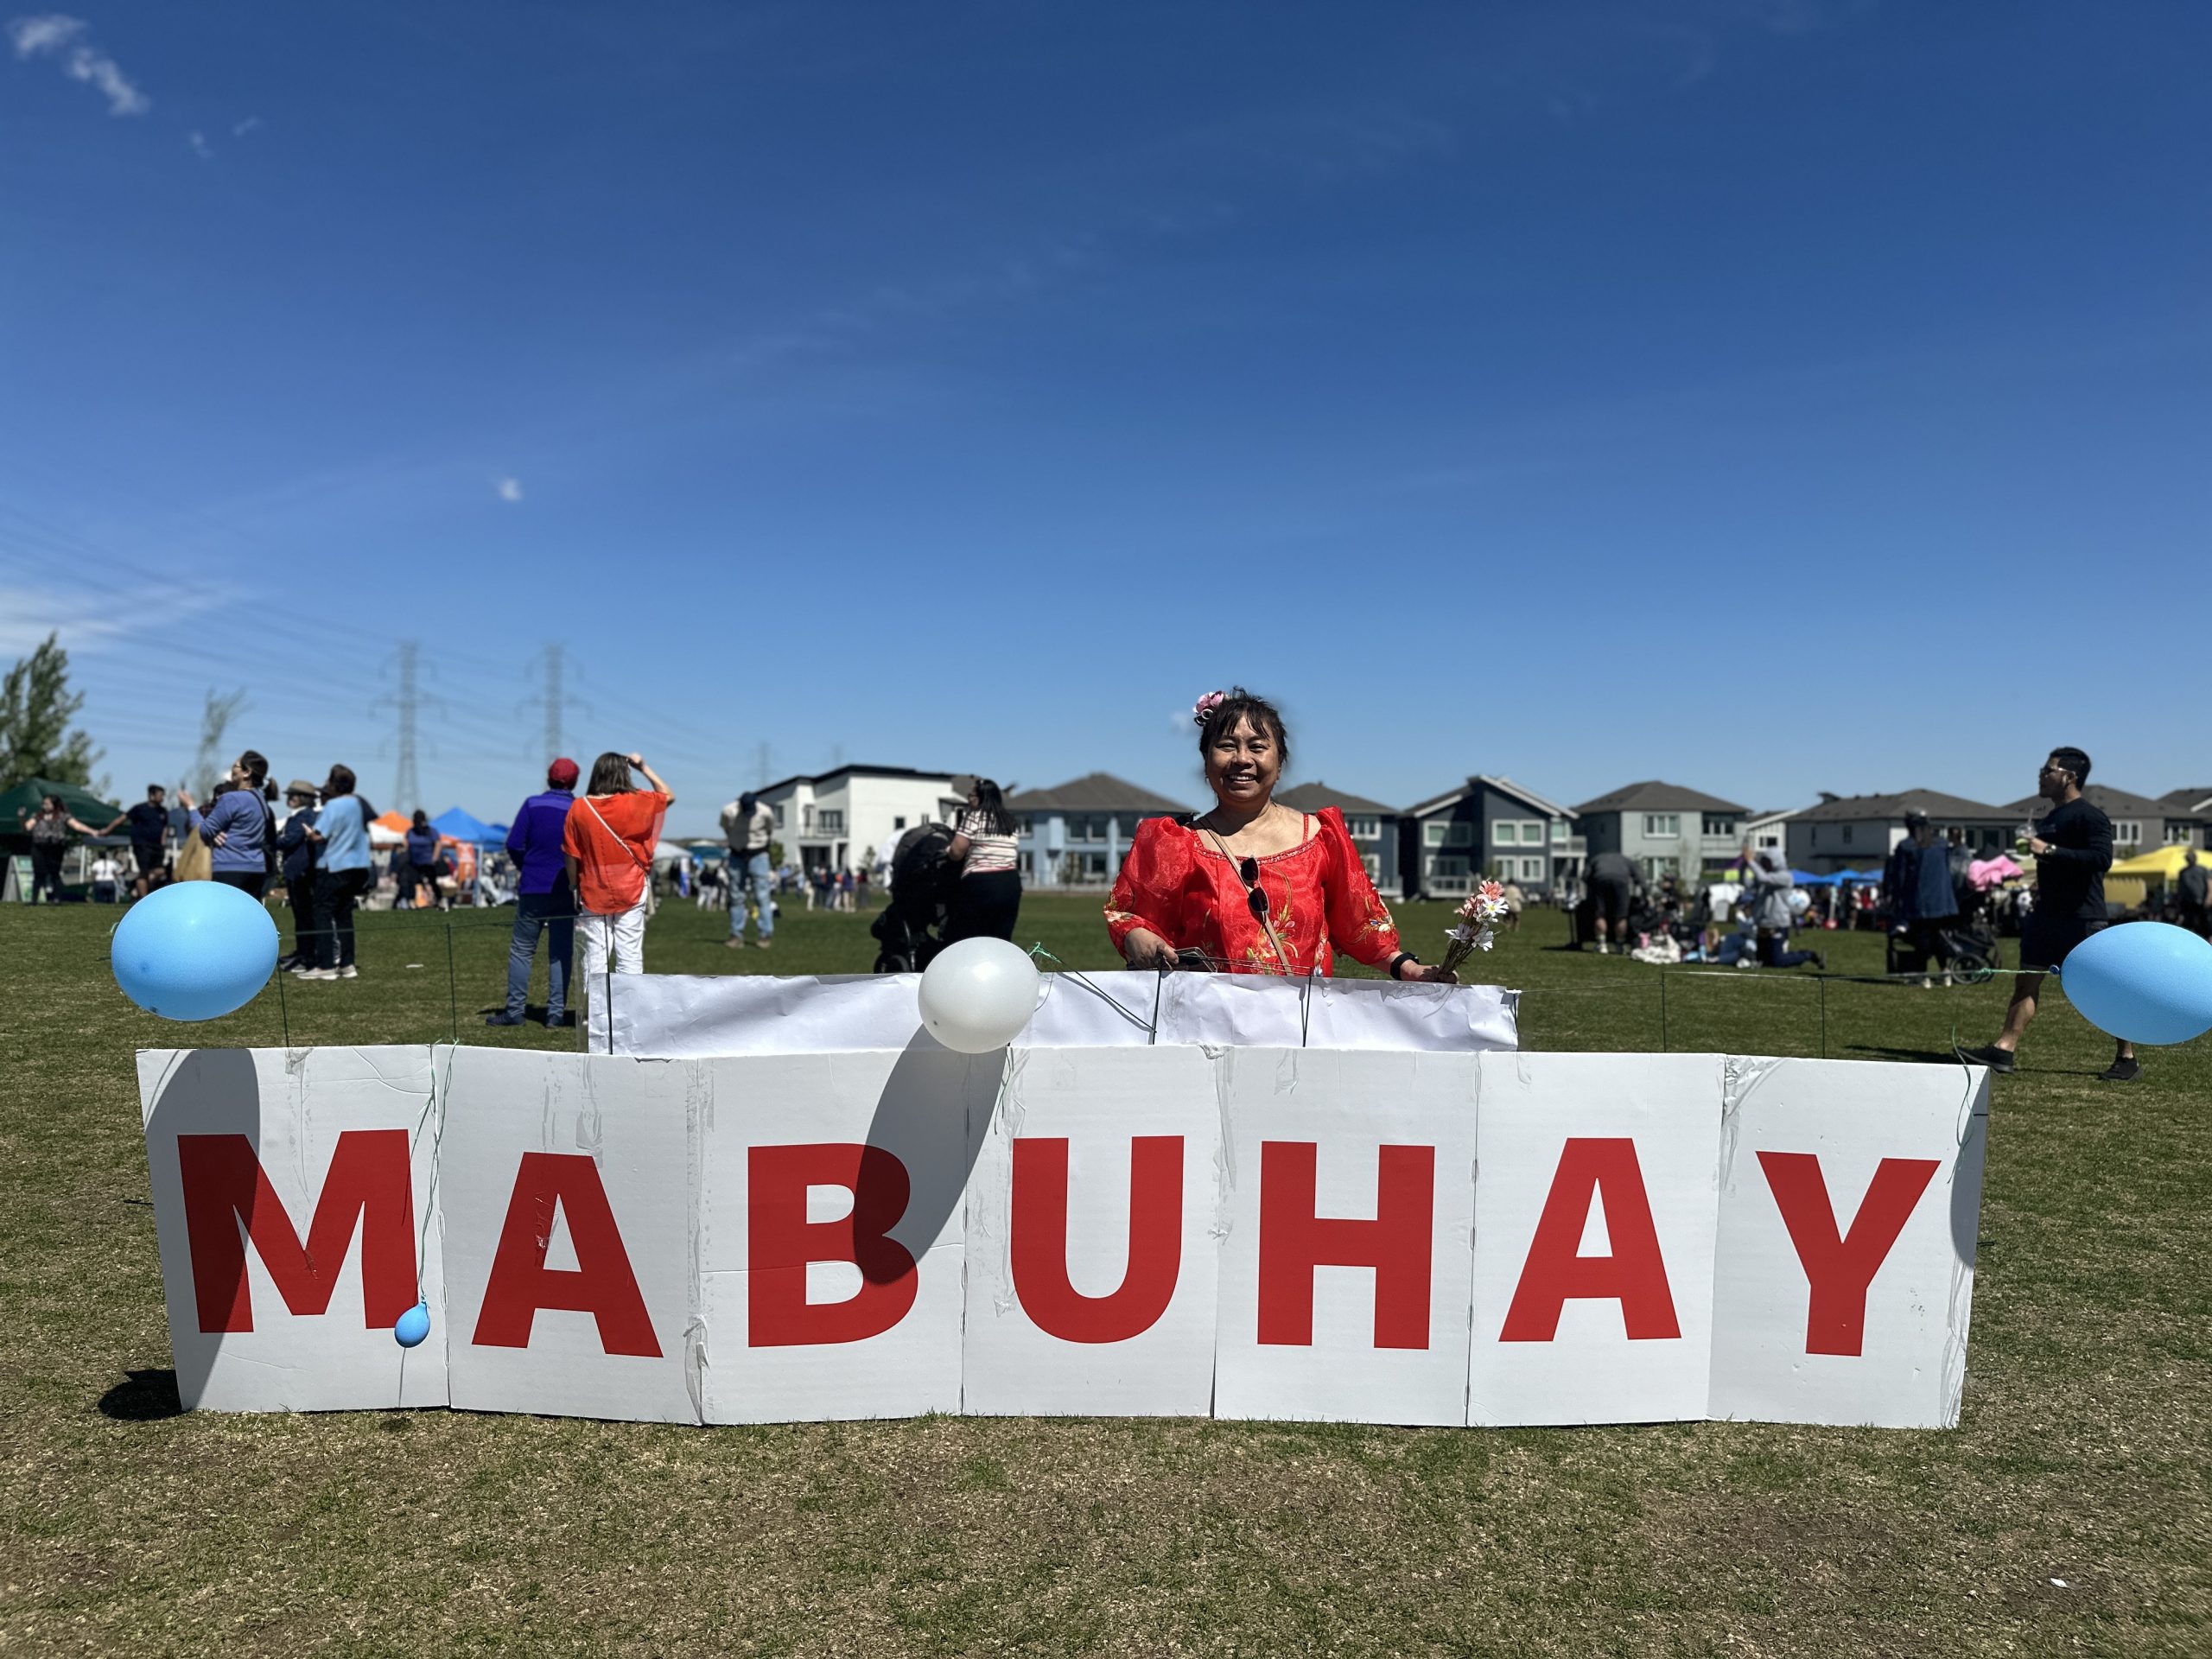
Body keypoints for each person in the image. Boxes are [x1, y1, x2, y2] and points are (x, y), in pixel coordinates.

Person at [1106, 687, 1456, 982]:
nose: (1242, 759)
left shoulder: (1320, 837)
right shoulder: (1174, 842)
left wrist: (1408, 969)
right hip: (1205, 1028)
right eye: (1227, 746)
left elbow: (1359, 926)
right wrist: (1137, 937)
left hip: (1304, 1028)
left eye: (1257, 747)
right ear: (1206, 761)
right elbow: (1132, 917)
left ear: (1280, 762)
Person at [1959, 747, 2136, 1081]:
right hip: (2046, 917)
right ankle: (2003, 1050)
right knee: (2025, 981)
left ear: (2069, 777)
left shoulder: (2090, 816)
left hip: (2083, 917)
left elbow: (2101, 860)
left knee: (2103, 987)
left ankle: (2126, 1058)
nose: (2041, 774)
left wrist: (2049, 849)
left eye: (2048, 769)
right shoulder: (2050, 818)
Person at [563, 752, 672, 986]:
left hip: (593, 888)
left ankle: (597, 1012)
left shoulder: (579, 808)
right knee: (629, 953)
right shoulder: (637, 801)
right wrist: (644, 767)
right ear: (623, 774)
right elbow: (667, 795)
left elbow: (571, 854)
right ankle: (628, 1010)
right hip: (631, 885)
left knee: (596, 954)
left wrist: (573, 885)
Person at [489, 758, 579, 1027]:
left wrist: (526, 867)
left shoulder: (532, 804)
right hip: (566, 887)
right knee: (561, 952)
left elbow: (514, 843)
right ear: (574, 782)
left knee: (522, 950)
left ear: (548, 779)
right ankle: (555, 1014)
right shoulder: (578, 808)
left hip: (532, 887)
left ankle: (515, 1011)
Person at [299, 765, 374, 980]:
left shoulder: (333, 806)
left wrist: (308, 833)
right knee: (344, 914)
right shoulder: (360, 803)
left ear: (334, 785)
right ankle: (347, 964)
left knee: (322, 912)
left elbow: (319, 836)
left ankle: (326, 965)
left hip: (333, 866)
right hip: (358, 866)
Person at [176, 751, 276, 898]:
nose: (232, 769)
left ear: (247, 772)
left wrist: (191, 806)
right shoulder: (260, 800)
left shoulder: (231, 799)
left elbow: (203, 831)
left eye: (235, 766)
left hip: (229, 868)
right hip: (256, 869)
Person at [944, 778, 1024, 944]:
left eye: (971, 795)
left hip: (981, 883)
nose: (968, 798)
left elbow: (957, 852)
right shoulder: (1010, 821)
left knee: (971, 937)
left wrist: (947, 850)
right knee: (1001, 939)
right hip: (1010, 883)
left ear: (980, 798)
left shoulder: (974, 818)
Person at [1885, 810, 1960, 988]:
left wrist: (1896, 899)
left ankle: (1923, 975)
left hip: (1919, 901)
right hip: (1943, 901)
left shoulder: (1906, 846)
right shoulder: (1941, 844)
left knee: (1921, 940)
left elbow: (1900, 877)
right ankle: (1945, 971)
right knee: (1938, 937)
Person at [1745, 849, 1827, 969]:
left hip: (1777, 922)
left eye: (1767, 861)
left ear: (1776, 861)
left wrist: (1751, 862)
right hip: (1763, 921)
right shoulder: (1766, 875)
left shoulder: (1785, 877)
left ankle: (1808, 955)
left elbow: (1764, 879)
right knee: (1764, 961)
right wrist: (1745, 865)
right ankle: (1764, 959)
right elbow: (1748, 884)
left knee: (1778, 960)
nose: (1764, 864)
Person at [719, 789, 777, 950]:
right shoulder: (729, 811)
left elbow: (770, 829)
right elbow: (725, 827)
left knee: (762, 896)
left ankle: (765, 935)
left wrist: (760, 845)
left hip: (758, 853)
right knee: (736, 895)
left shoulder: (765, 812)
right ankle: (736, 935)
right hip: (737, 853)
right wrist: (734, 841)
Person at [16, 794, 103, 902]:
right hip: (39, 846)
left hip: (55, 847)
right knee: (38, 873)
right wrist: (21, 817)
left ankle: (57, 898)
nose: (45, 806)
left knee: (55, 872)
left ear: (54, 804)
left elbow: (76, 825)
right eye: (44, 804)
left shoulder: (63, 816)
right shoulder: (37, 816)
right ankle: (34, 899)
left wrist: (93, 831)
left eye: (47, 804)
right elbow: (27, 828)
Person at [275, 779, 321, 970]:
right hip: (295, 871)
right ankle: (302, 952)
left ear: (305, 798)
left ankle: (307, 955)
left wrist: (269, 840)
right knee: (300, 916)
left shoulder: (306, 815)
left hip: (302, 871)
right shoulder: (298, 816)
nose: (290, 798)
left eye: (294, 795)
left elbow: (290, 840)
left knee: (305, 916)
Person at [101, 784, 171, 895]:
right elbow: (122, 819)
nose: (162, 798)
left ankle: (136, 888)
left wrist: (163, 843)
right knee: (144, 872)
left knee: (160, 871)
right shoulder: (139, 808)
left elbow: (165, 828)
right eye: (160, 795)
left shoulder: (163, 811)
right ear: (152, 795)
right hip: (142, 844)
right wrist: (108, 830)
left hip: (157, 846)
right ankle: (142, 899)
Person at [1586, 849, 1636, 955]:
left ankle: (1602, 944)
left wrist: (1591, 888)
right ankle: (1620, 944)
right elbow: (1639, 875)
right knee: (1621, 916)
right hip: (1621, 882)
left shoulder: (1596, 859)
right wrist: (1645, 891)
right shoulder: (1626, 860)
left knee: (1600, 914)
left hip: (1600, 880)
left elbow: (1585, 876)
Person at [404, 810, 444, 910]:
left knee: (432, 882)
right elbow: (406, 843)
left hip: (428, 862)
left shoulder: (431, 831)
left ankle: (440, 900)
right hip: (414, 862)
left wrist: (435, 857)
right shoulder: (410, 831)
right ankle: (412, 902)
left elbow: (438, 844)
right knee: (411, 882)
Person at [2178, 848, 2209, 939]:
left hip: (2201, 902)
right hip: (2187, 902)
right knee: (2188, 924)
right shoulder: (2183, 872)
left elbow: (2209, 884)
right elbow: (2180, 887)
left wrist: (2209, 898)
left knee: (2203, 923)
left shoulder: (2203, 870)